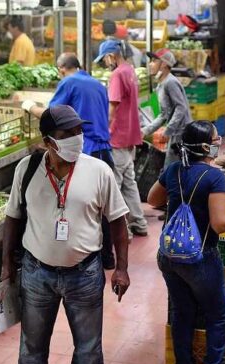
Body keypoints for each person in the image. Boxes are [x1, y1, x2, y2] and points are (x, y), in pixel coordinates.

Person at [1, 105, 131, 364]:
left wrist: (122, 268)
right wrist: (6, 267)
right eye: (66, 135)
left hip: (85, 273)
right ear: (48, 142)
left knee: (88, 346)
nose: (77, 139)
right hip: (36, 273)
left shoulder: (98, 171)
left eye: (78, 131)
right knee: (32, 346)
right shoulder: (27, 169)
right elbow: (12, 218)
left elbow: (118, 223)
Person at [147, 121, 225, 364]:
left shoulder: (173, 170)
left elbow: (152, 199)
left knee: (183, 314)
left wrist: (179, 201)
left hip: (169, 256)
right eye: (217, 139)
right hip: (200, 258)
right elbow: (219, 225)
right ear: (206, 147)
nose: (221, 142)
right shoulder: (214, 176)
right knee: (218, 315)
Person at [21, 53, 116, 268]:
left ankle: (73, 256)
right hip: (104, 149)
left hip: (86, 150)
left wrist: (28, 106)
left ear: (62, 68)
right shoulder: (97, 83)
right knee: (104, 209)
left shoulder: (69, 82)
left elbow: (50, 115)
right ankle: (107, 258)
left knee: (79, 208)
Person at [95, 39, 150, 238]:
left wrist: (105, 130)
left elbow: (113, 106)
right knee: (129, 182)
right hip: (131, 136)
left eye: (105, 59)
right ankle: (139, 223)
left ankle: (122, 232)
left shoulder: (117, 74)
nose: (105, 63)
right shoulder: (130, 70)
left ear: (111, 55)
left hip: (117, 136)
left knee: (115, 185)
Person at [141, 49, 193, 168]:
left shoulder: (170, 82)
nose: (150, 64)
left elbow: (181, 107)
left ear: (164, 64)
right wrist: (146, 130)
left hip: (181, 133)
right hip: (176, 132)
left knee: (170, 170)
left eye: (154, 61)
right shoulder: (162, 83)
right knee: (174, 170)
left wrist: (168, 130)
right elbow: (164, 114)